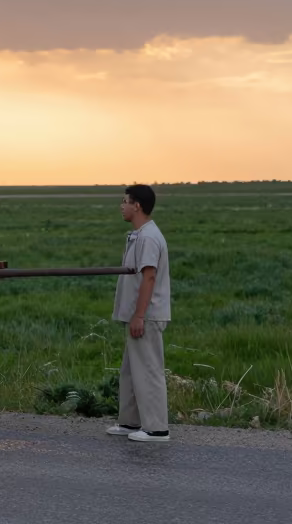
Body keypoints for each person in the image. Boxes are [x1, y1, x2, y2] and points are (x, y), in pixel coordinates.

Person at [107, 184, 172, 442]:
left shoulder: (147, 237)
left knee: (148, 369)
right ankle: (131, 422)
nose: (121, 206)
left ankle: (157, 429)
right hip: (139, 314)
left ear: (138, 205)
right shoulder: (140, 235)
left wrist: (139, 316)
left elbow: (149, 277)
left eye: (125, 201)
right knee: (131, 371)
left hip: (147, 315)